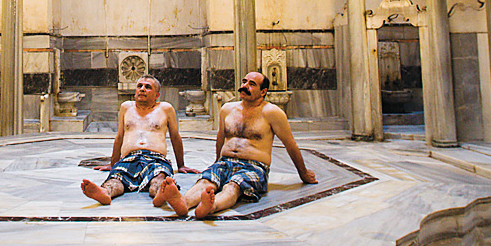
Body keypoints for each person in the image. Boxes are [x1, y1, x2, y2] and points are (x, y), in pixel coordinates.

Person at [156, 71, 317, 218]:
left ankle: (211, 206)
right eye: (244, 82)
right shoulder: (227, 109)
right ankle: (184, 202)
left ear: (263, 92)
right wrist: (216, 162)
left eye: (251, 84)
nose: (245, 86)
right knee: (206, 181)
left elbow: (290, 144)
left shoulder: (272, 113)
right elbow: (221, 138)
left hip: (253, 166)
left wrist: (303, 173)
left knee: (233, 186)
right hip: (225, 161)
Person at [80, 75, 197, 213]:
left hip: (156, 158)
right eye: (139, 86)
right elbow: (119, 137)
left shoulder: (165, 108)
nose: (142, 89)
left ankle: (161, 193)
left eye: (148, 87)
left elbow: (175, 137)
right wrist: (112, 164)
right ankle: (105, 192)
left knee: (159, 179)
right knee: (116, 179)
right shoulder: (126, 107)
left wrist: (181, 165)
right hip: (129, 158)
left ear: (157, 94)